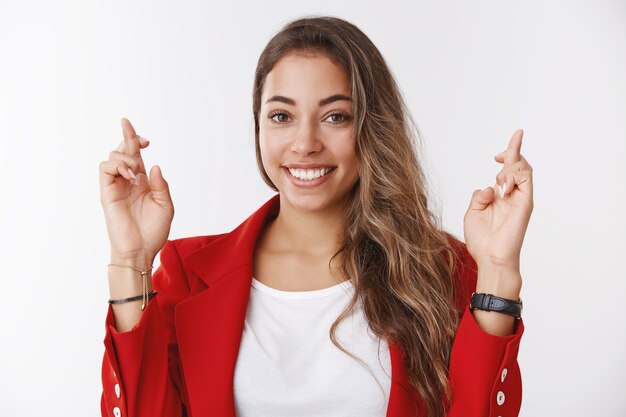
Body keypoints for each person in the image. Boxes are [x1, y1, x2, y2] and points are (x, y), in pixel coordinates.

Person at [98, 16, 533, 417]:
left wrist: (496, 272)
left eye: (334, 116)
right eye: (282, 116)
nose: (304, 143)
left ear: (371, 127)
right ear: (259, 128)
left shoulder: (440, 268)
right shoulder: (188, 273)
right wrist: (131, 258)